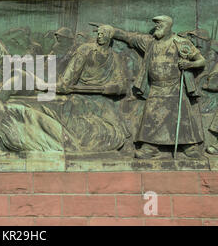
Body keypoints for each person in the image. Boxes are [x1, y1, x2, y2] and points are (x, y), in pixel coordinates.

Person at [108, 15, 206, 159]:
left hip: (174, 87)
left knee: (182, 117)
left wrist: (189, 64)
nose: (157, 27)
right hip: (155, 88)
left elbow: (201, 61)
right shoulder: (149, 42)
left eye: (160, 25)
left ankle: (189, 146)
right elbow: (130, 38)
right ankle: (150, 147)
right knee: (152, 116)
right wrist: (113, 31)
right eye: (156, 25)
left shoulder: (180, 42)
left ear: (169, 26)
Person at [58, 25, 128, 96]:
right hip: (80, 93)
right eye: (98, 34)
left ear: (110, 36)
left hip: (102, 95)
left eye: (103, 34)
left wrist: (115, 88)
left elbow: (120, 81)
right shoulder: (85, 49)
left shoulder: (114, 57)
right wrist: (64, 84)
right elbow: (72, 70)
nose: (99, 36)